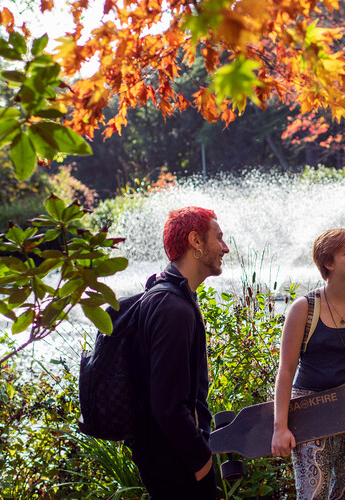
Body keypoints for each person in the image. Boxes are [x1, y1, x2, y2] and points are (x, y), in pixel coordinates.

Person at [123, 206, 229, 499]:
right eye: (218, 238)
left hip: (167, 458)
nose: (226, 247)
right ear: (196, 241)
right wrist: (202, 461)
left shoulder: (167, 294)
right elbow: (166, 405)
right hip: (177, 464)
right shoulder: (172, 307)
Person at [271, 228, 345, 499]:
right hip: (310, 411)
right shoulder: (303, 309)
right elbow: (285, 371)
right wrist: (280, 427)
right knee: (314, 493)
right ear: (329, 264)